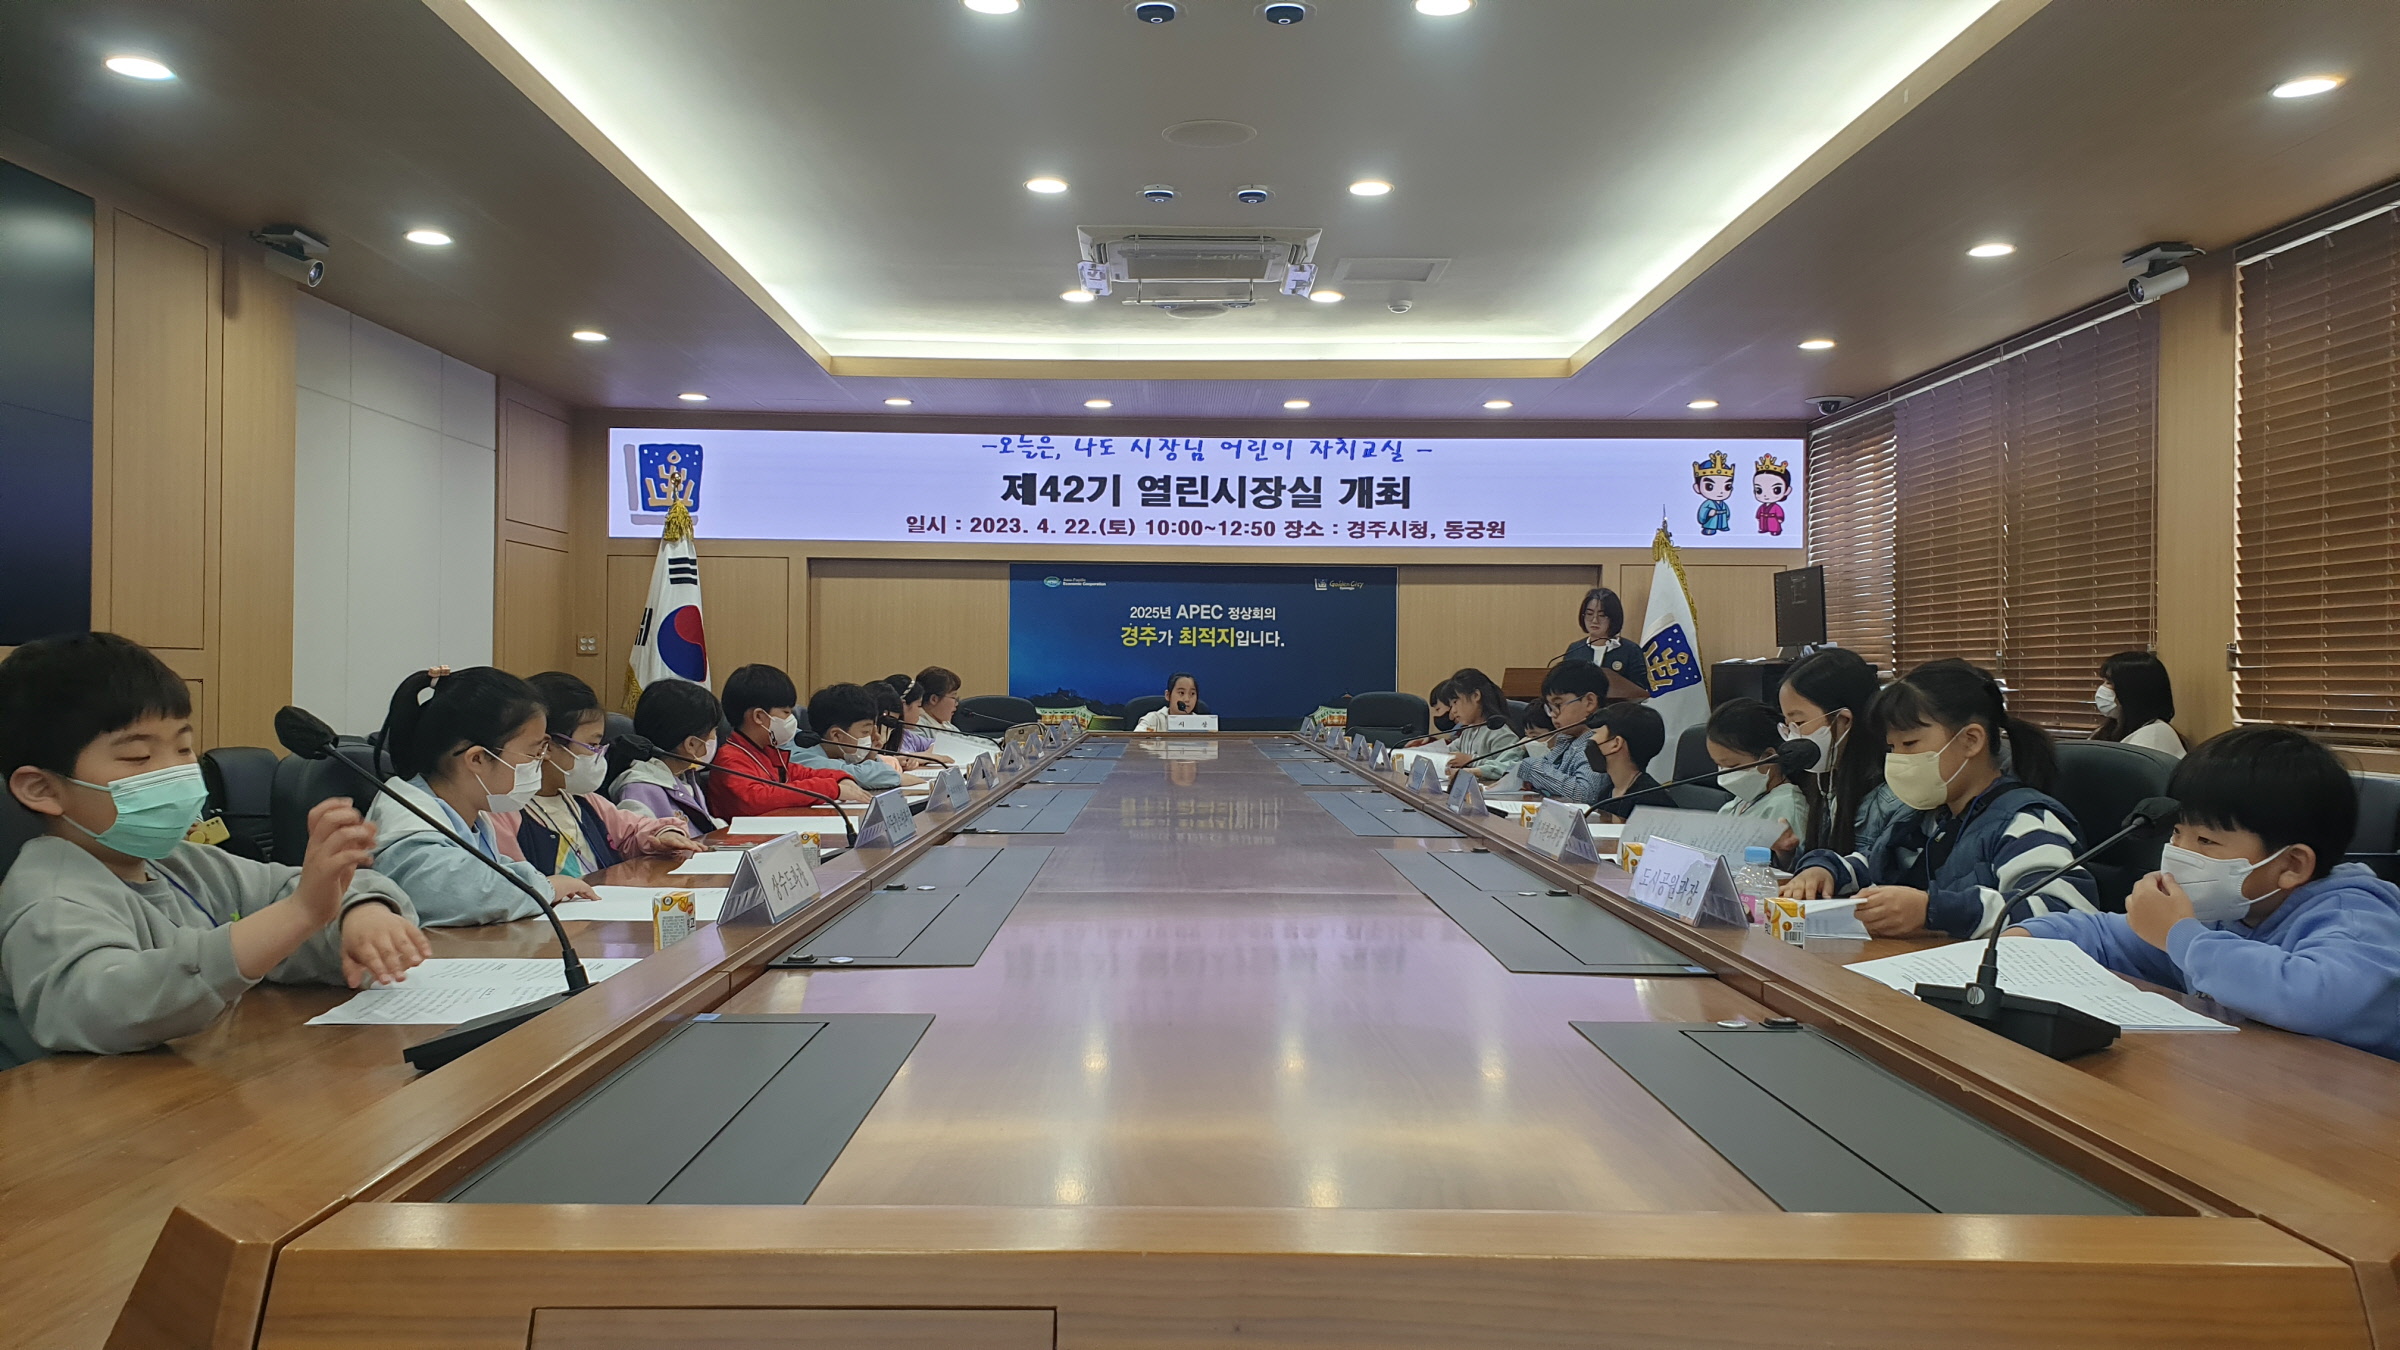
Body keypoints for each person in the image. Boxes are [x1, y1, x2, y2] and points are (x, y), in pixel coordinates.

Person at [0, 633, 427, 1063]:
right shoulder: (47, 900)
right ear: (42, 789)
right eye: (138, 757)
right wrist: (299, 913)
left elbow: (288, 898)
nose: (177, 771)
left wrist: (359, 915)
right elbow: (104, 1009)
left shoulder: (180, 864)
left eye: (184, 747)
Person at [2008, 727, 2400, 1059]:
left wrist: (2180, 936)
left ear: (2292, 865)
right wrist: (2025, 936)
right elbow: (2109, 936)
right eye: (2178, 833)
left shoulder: (2356, 918)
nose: (2180, 853)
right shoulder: (2226, 911)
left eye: (2206, 841)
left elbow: (2314, 999)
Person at [1783, 658, 2096, 938]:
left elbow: (2063, 914)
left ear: (1971, 740)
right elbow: (1873, 863)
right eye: (1892, 748)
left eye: (1909, 744)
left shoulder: (2026, 821)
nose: (1897, 759)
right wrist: (1823, 869)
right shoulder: (1928, 818)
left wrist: (1931, 911)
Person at [370, 666, 600, 926]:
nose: (540, 761)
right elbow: (465, 894)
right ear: (477, 759)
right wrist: (544, 887)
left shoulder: (468, 815)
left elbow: (494, 871)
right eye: (533, 753)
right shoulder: (408, 822)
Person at [497, 672, 701, 878]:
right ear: (547, 746)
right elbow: (515, 883)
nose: (599, 754)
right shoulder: (506, 810)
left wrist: (664, 834)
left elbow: (634, 831)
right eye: (592, 745)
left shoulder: (583, 801)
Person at [1777, 648, 1905, 860]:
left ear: (1844, 720)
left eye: (1799, 722)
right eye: (1787, 725)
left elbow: (1876, 874)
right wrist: (1787, 854)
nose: (1792, 736)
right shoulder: (1826, 783)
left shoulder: (1891, 800)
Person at [711, 665, 868, 814]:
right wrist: (830, 788)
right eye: (786, 712)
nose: (792, 719)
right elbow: (757, 798)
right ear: (759, 716)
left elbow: (801, 773)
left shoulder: (767, 752)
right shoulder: (730, 758)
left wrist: (841, 778)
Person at [609, 678, 727, 837]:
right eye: (713, 730)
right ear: (691, 744)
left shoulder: (683, 776)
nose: (714, 737)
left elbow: (705, 826)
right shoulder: (638, 788)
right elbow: (643, 843)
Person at [1706, 697, 1806, 853]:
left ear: (1768, 757)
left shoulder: (1787, 805)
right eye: (1719, 765)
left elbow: (1790, 861)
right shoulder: (1744, 799)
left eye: (1732, 766)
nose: (1723, 774)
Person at [1520, 662, 1610, 804]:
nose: (1553, 714)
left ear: (1589, 702)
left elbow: (1583, 794)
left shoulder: (1597, 745)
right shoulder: (1567, 739)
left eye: (1558, 704)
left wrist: (1531, 767)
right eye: (1549, 707)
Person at [791, 682, 905, 791]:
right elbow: (862, 776)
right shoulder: (804, 757)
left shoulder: (840, 755)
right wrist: (898, 778)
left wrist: (869, 757)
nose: (871, 737)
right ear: (836, 735)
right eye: (865, 732)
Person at [1582, 702, 1672, 821]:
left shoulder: (1651, 802)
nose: (1590, 739)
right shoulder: (1607, 792)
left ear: (1616, 743)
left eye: (1595, 734)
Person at [1431, 668, 1523, 783]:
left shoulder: (1500, 732)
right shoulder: (1468, 731)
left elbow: (1510, 767)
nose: (1453, 711)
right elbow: (1447, 752)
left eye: (1455, 702)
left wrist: (1471, 760)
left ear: (1476, 695)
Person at [2094, 650, 2185, 760]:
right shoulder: (2114, 727)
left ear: (2131, 691)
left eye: (2109, 683)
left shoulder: (2153, 737)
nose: (2102, 689)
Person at [1558, 587, 1647, 698]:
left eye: (1602, 615)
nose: (1594, 620)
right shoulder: (1575, 649)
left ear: (1614, 617)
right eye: (1589, 614)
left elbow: (1640, 690)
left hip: (1618, 708)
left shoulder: (1630, 650)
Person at [1134, 673, 1203, 731]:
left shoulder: (1202, 723)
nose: (1187, 699)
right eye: (1181, 693)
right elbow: (1136, 740)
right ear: (1168, 695)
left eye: (1192, 694)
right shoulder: (1153, 719)